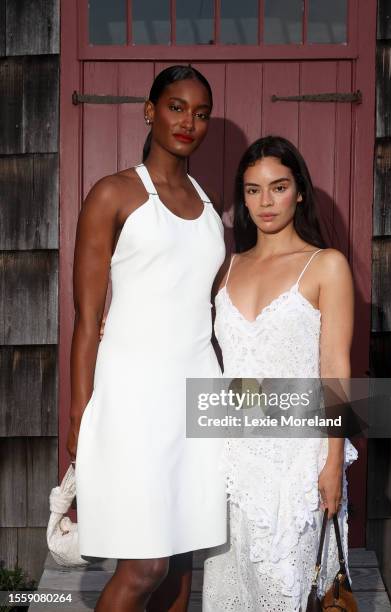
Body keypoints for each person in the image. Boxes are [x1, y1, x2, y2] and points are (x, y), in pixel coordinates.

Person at [66, 65, 227, 612]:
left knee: (181, 563)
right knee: (145, 565)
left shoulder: (209, 208)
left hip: (196, 392)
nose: (189, 122)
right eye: (177, 107)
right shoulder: (114, 193)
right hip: (133, 395)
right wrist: (79, 415)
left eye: (201, 113)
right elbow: (87, 319)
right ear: (150, 109)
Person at [202, 136, 358, 611]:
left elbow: (335, 368)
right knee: (232, 589)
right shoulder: (226, 268)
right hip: (232, 455)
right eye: (252, 190)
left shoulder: (326, 266)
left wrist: (332, 462)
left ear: (300, 192)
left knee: (288, 588)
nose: (265, 202)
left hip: (297, 458)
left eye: (278, 187)